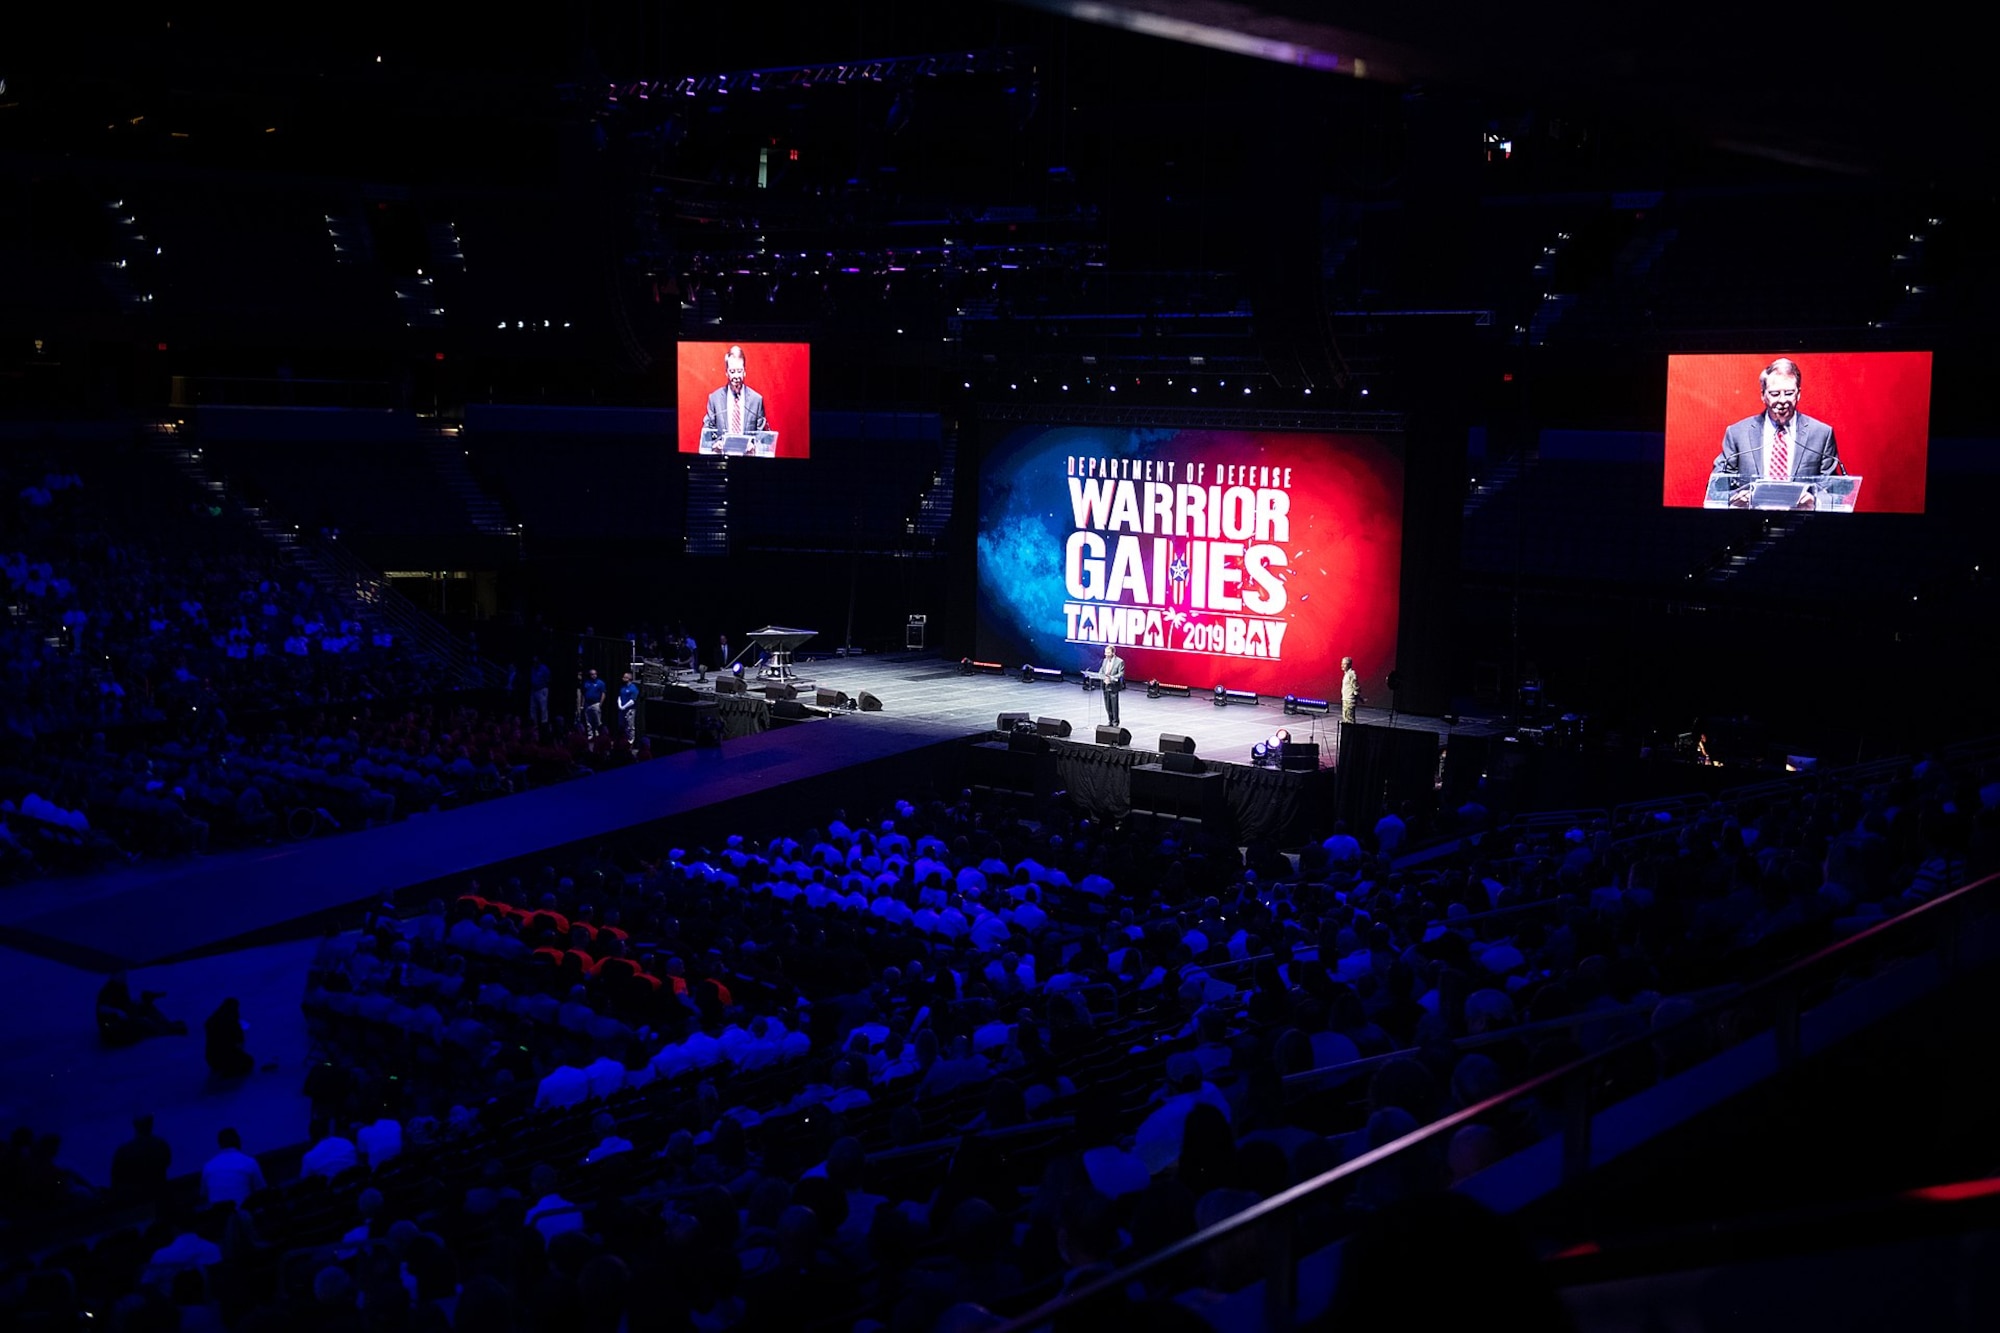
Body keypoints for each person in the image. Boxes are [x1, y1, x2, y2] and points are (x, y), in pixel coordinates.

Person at [1713, 357, 1840, 505]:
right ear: (1763, 395)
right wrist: (1735, 497)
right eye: (1774, 394)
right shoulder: (1738, 433)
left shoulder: (1821, 434)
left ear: (1798, 394)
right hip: (1750, 521)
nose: (1782, 400)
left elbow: (1832, 491)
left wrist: (1815, 500)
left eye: (1789, 393)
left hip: (1801, 521)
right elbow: (1717, 487)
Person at [702, 345, 769, 450]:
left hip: (748, 460)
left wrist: (755, 446)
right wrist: (714, 444)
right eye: (732, 372)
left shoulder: (756, 400)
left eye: (739, 371)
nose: (736, 376)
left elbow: (763, 438)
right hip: (723, 459)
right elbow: (706, 436)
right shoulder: (714, 399)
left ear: (744, 371)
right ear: (726, 373)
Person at [97, 973, 187, 1044]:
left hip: (123, 1020)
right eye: (120, 974)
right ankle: (168, 1030)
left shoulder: (121, 987)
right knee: (141, 1022)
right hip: (115, 1033)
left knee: (145, 1006)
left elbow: (125, 1005)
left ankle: (168, 1025)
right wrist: (118, 1012)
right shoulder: (108, 991)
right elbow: (102, 1009)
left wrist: (140, 1001)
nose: (124, 976)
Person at [111, 1114, 173, 1205]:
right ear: (151, 1124)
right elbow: (167, 1163)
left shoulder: (122, 1152)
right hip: (159, 1198)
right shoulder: (161, 1145)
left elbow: (115, 1181)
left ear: (135, 1125)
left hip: (132, 1203)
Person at [200, 1128, 266, 1207]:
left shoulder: (208, 1167)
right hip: (244, 1213)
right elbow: (261, 1189)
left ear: (220, 1144)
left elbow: (203, 1194)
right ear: (238, 1142)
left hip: (218, 1216)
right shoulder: (249, 1162)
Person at [204, 997, 255, 1078]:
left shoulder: (212, 1021)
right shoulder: (231, 1023)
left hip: (212, 1059)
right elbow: (238, 1040)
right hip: (224, 1057)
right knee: (248, 1062)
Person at [1099, 644, 1125, 727]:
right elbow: (1101, 671)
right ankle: (1110, 720)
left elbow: (1121, 673)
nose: (1106, 654)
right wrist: (1104, 678)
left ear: (1113, 653)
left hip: (1114, 686)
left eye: (1108, 652)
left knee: (1114, 705)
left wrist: (1111, 678)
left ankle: (1115, 721)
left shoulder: (1119, 661)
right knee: (1107, 704)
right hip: (1105, 685)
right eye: (1105, 652)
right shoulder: (1104, 661)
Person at [580, 668, 606, 740]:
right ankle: (590, 735)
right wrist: (582, 704)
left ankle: (598, 735)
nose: (594, 676)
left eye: (595, 674)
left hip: (596, 704)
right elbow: (584, 694)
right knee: (588, 721)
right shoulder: (586, 683)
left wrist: (600, 704)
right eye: (592, 674)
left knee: (597, 721)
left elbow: (603, 694)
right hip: (587, 704)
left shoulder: (601, 683)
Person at [618, 671, 639, 748]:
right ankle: (623, 741)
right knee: (622, 726)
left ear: (629, 678)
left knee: (630, 727)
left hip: (630, 710)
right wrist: (620, 705)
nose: (623, 678)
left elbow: (632, 701)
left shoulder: (633, 688)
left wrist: (624, 707)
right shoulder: (622, 687)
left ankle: (630, 742)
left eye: (624, 677)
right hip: (621, 710)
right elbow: (619, 696)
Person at [529, 657, 551, 727]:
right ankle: (534, 723)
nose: (534, 663)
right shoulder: (533, 668)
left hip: (542, 690)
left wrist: (542, 685)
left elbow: (548, 679)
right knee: (532, 708)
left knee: (543, 707)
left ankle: (544, 723)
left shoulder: (544, 669)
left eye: (536, 662)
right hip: (534, 690)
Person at [1341, 656, 1361, 724]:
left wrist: (1359, 697)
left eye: (1344, 664)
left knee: (1349, 721)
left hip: (1349, 701)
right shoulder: (1346, 674)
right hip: (1345, 700)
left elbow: (1356, 687)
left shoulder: (1351, 674)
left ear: (1349, 664)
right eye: (1342, 663)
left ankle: (1351, 734)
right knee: (1346, 720)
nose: (1342, 665)